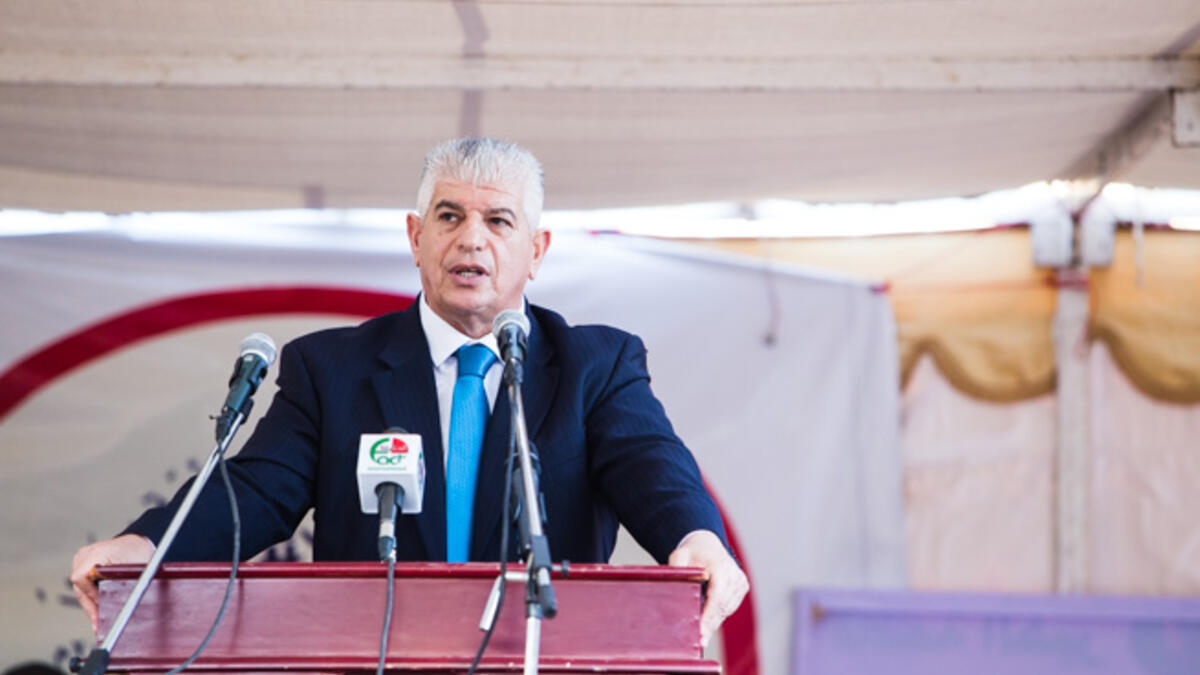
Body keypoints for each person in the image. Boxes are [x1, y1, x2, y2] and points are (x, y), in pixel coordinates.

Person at [70, 137, 747, 646]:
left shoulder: (594, 364)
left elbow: (649, 462)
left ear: (537, 250)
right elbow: (255, 492)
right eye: (449, 217)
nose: (471, 239)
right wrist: (148, 544)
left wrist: (696, 536)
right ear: (417, 238)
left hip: (539, 653)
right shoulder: (333, 368)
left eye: (499, 222)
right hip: (375, 655)